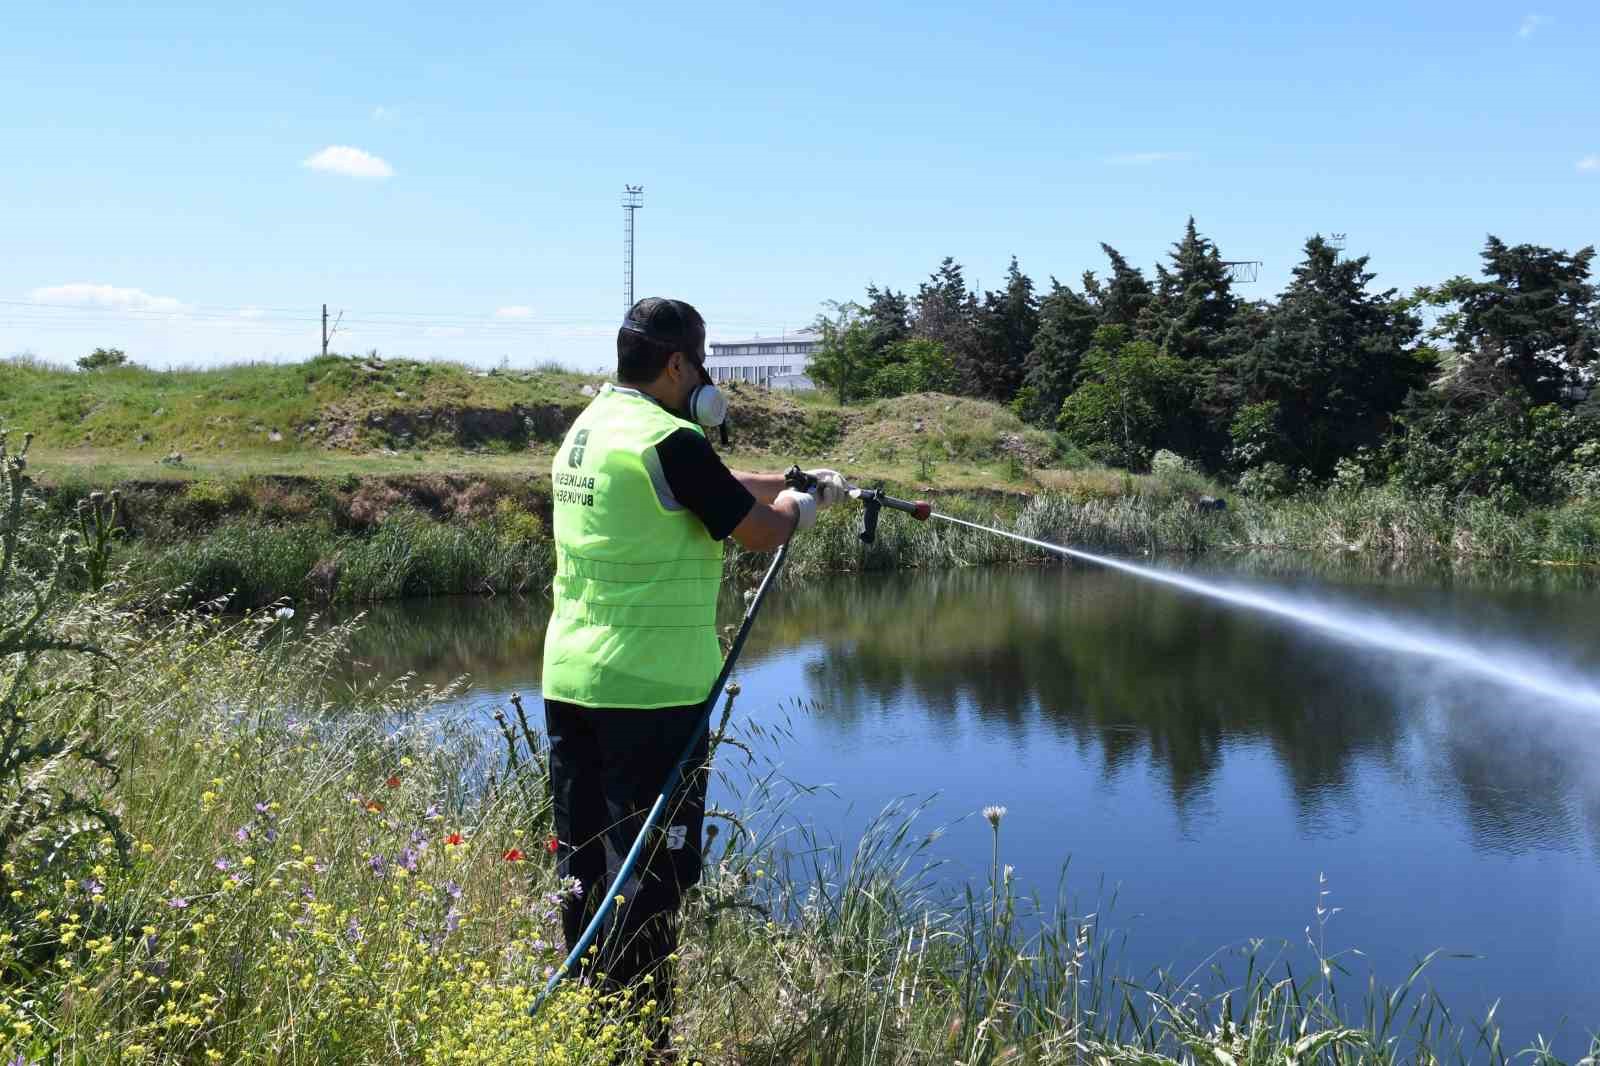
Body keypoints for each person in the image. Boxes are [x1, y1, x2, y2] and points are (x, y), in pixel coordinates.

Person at [541, 297, 849, 1051]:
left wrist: (777, 476)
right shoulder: (670, 439)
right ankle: (644, 1046)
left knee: (585, 870)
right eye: (701, 363)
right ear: (678, 365)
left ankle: (590, 1036)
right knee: (651, 885)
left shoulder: (591, 432)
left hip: (572, 681)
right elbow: (761, 531)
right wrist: (807, 502)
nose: (705, 377)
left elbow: (699, 480)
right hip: (652, 696)